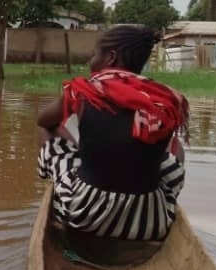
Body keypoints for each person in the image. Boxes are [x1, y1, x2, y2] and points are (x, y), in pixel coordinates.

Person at [36, 24, 190, 242]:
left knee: (51, 130)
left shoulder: (84, 90)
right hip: (151, 223)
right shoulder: (166, 99)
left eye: (94, 54)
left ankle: (67, 189)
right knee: (174, 147)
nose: (91, 61)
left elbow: (42, 120)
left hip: (85, 215)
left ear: (111, 58)